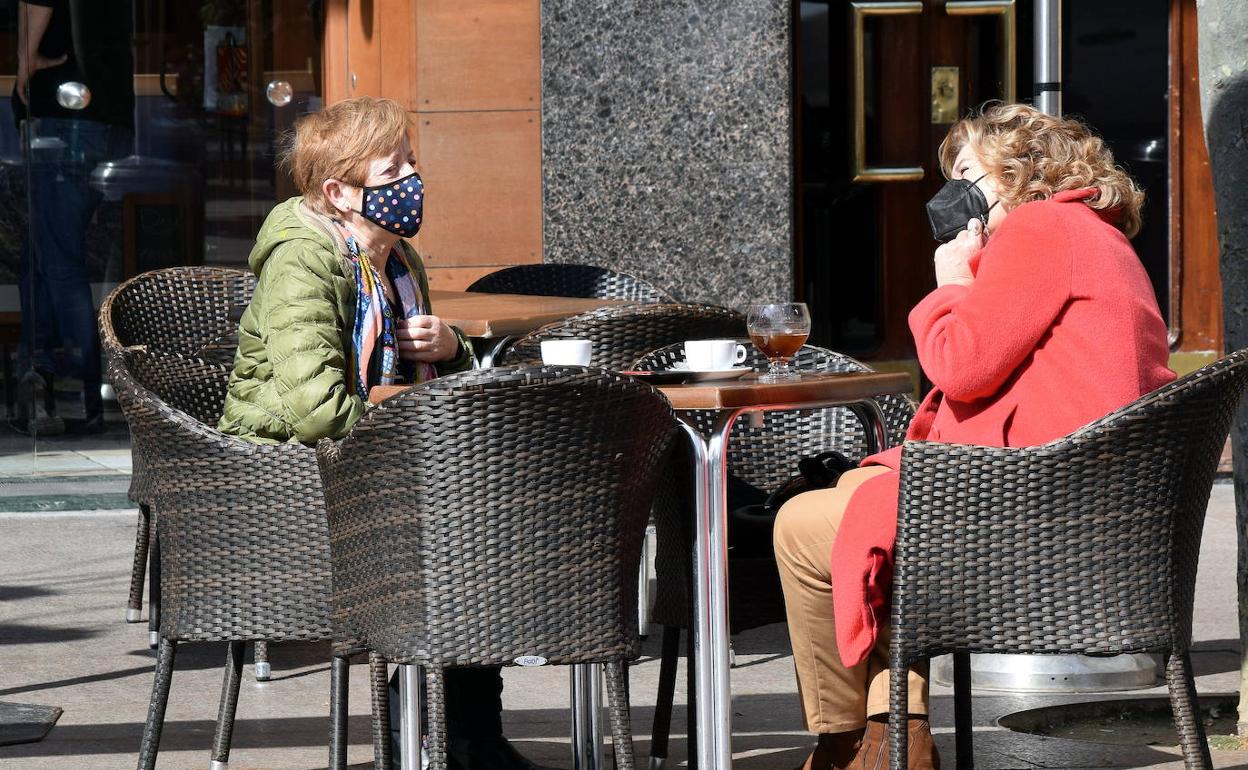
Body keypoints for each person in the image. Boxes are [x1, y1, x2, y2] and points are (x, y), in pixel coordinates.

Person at [772, 102, 1176, 770]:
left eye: (965, 173)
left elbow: (961, 368)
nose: (948, 196)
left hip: (1034, 510)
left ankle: (852, 741)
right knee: (863, 502)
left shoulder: (1041, 229)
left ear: (1018, 169)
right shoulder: (1093, 232)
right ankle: (888, 736)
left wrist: (951, 283)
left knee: (801, 525)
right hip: (1093, 503)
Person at [218, 96, 545, 770]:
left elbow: (424, 382)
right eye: (391, 171)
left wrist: (449, 349)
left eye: (411, 165)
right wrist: (411, 427)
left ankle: (466, 732)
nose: (409, 184)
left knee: (492, 509)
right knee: (463, 524)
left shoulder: (397, 260)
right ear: (338, 192)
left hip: (365, 463)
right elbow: (316, 411)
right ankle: (449, 732)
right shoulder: (302, 263)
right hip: (289, 478)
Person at [12, 0, 134, 434]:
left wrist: (24, 58)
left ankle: (80, 397)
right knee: (39, 256)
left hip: (65, 113)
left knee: (59, 261)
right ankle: (37, 382)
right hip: (101, 112)